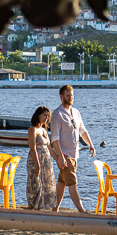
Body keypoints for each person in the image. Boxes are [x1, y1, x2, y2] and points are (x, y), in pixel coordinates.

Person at [49, 84, 95, 212]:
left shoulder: (76, 112)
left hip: (75, 155)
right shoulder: (57, 114)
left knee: (61, 183)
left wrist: (90, 144)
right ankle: (82, 211)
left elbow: (82, 131)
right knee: (72, 183)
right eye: (68, 96)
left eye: (72, 96)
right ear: (61, 96)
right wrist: (60, 157)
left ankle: (55, 209)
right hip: (65, 155)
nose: (70, 98)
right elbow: (55, 139)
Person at [25, 106, 57, 210]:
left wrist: (57, 158)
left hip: (46, 160)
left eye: (48, 117)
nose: (46, 118)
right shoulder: (32, 130)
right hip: (36, 159)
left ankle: (42, 206)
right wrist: (37, 165)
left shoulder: (44, 130)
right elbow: (33, 148)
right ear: (38, 115)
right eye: (44, 115)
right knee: (36, 183)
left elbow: (49, 147)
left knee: (46, 183)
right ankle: (33, 206)